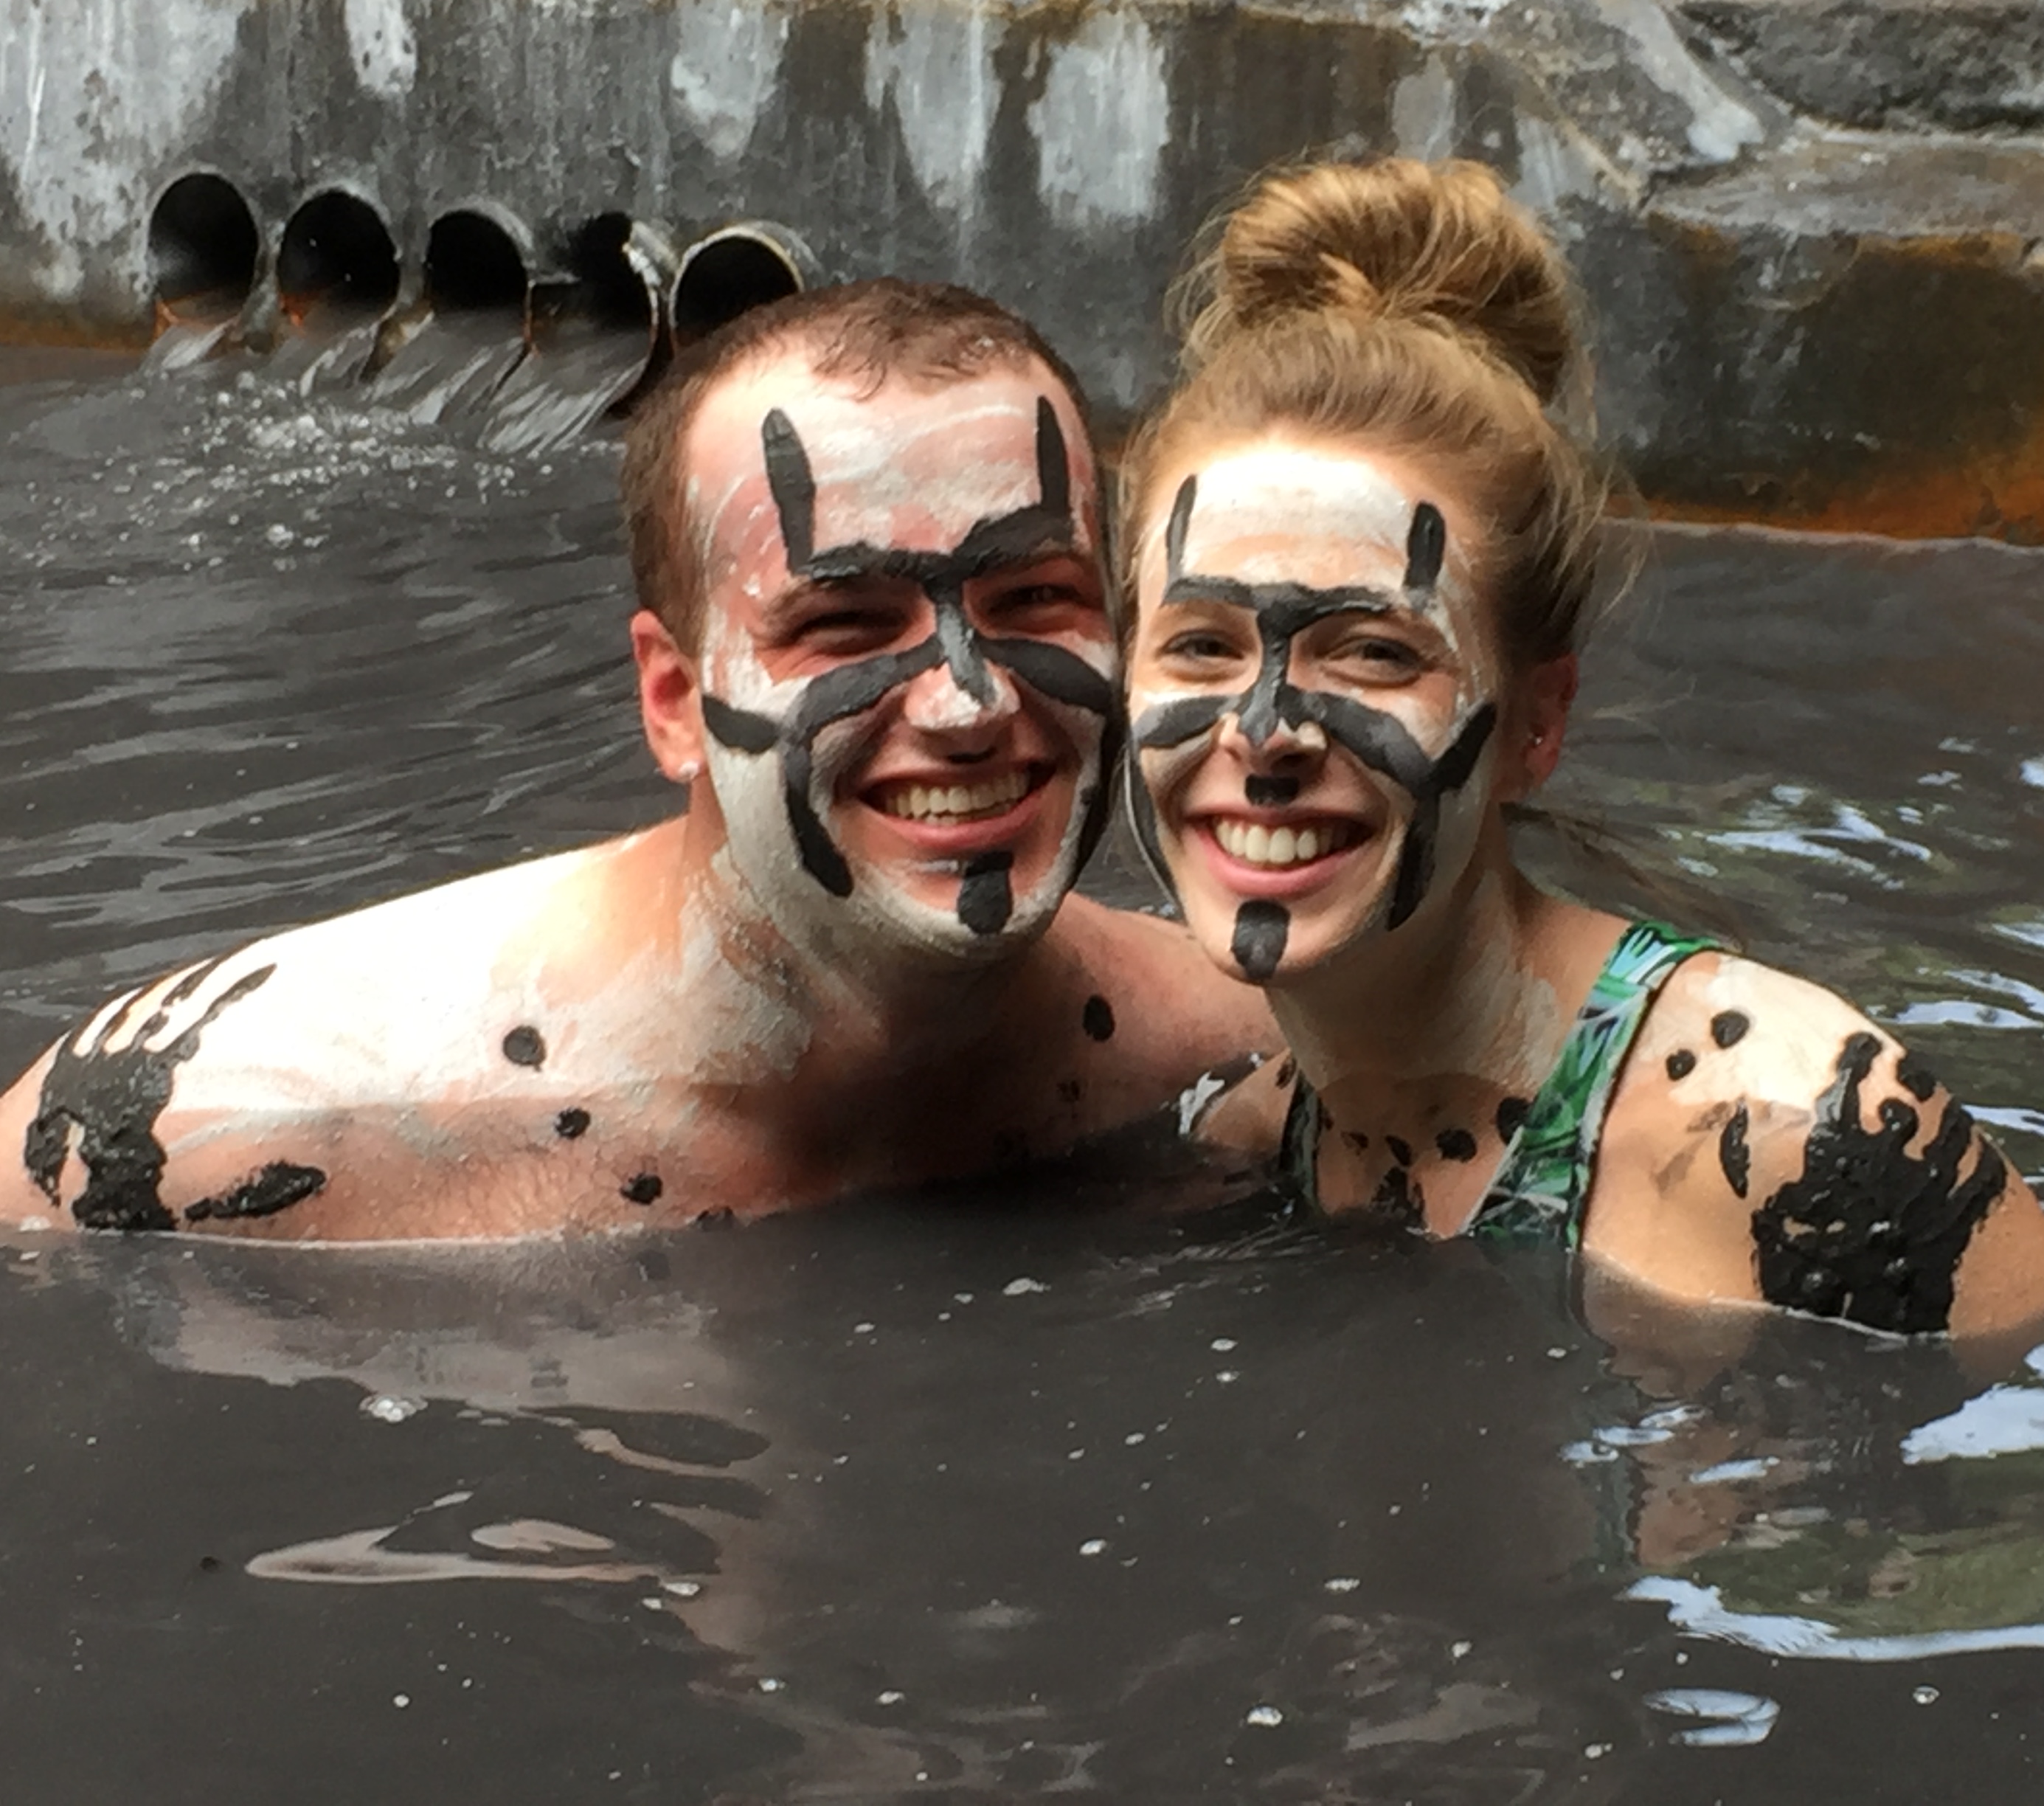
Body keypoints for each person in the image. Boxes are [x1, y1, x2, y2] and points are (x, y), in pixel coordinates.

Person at [0, 280, 1273, 1239]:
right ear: (672, 700)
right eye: (842, 623)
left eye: (1037, 601)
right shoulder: (193, 1134)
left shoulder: (1235, 1048)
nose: (966, 700)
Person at [1118, 159, 2044, 1339]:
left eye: (1371, 654)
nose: (1262, 735)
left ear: (1536, 724)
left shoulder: (1802, 1140)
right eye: (1200, 648)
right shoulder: (1248, 1137)